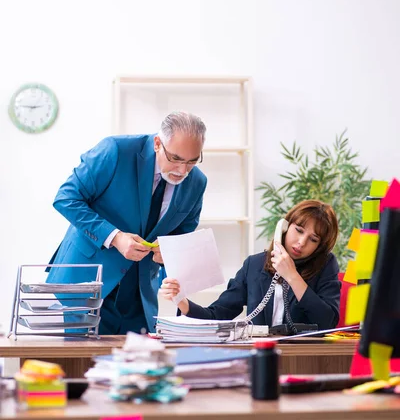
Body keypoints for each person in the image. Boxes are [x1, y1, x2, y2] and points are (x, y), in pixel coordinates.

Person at [47, 112, 207, 334]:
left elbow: (182, 234)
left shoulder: (197, 182)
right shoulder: (115, 150)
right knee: (77, 365)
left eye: (192, 161)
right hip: (85, 285)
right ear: (158, 144)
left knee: (138, 365)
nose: (183, 171)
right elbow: (66, 198)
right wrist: (114, 237)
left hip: (140, 298)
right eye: (176, 159)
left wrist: (169, 252)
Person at [160, 200, 341, 330]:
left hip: (304, 357)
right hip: (260, 355)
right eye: (299, 230)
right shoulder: (254, 265)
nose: (301, 242)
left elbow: (327, 322)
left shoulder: (326, 266)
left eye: (313, 239)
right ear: (284, 227)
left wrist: (292, 276)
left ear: (320, 246)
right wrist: (182, 301)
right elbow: (218, 315)